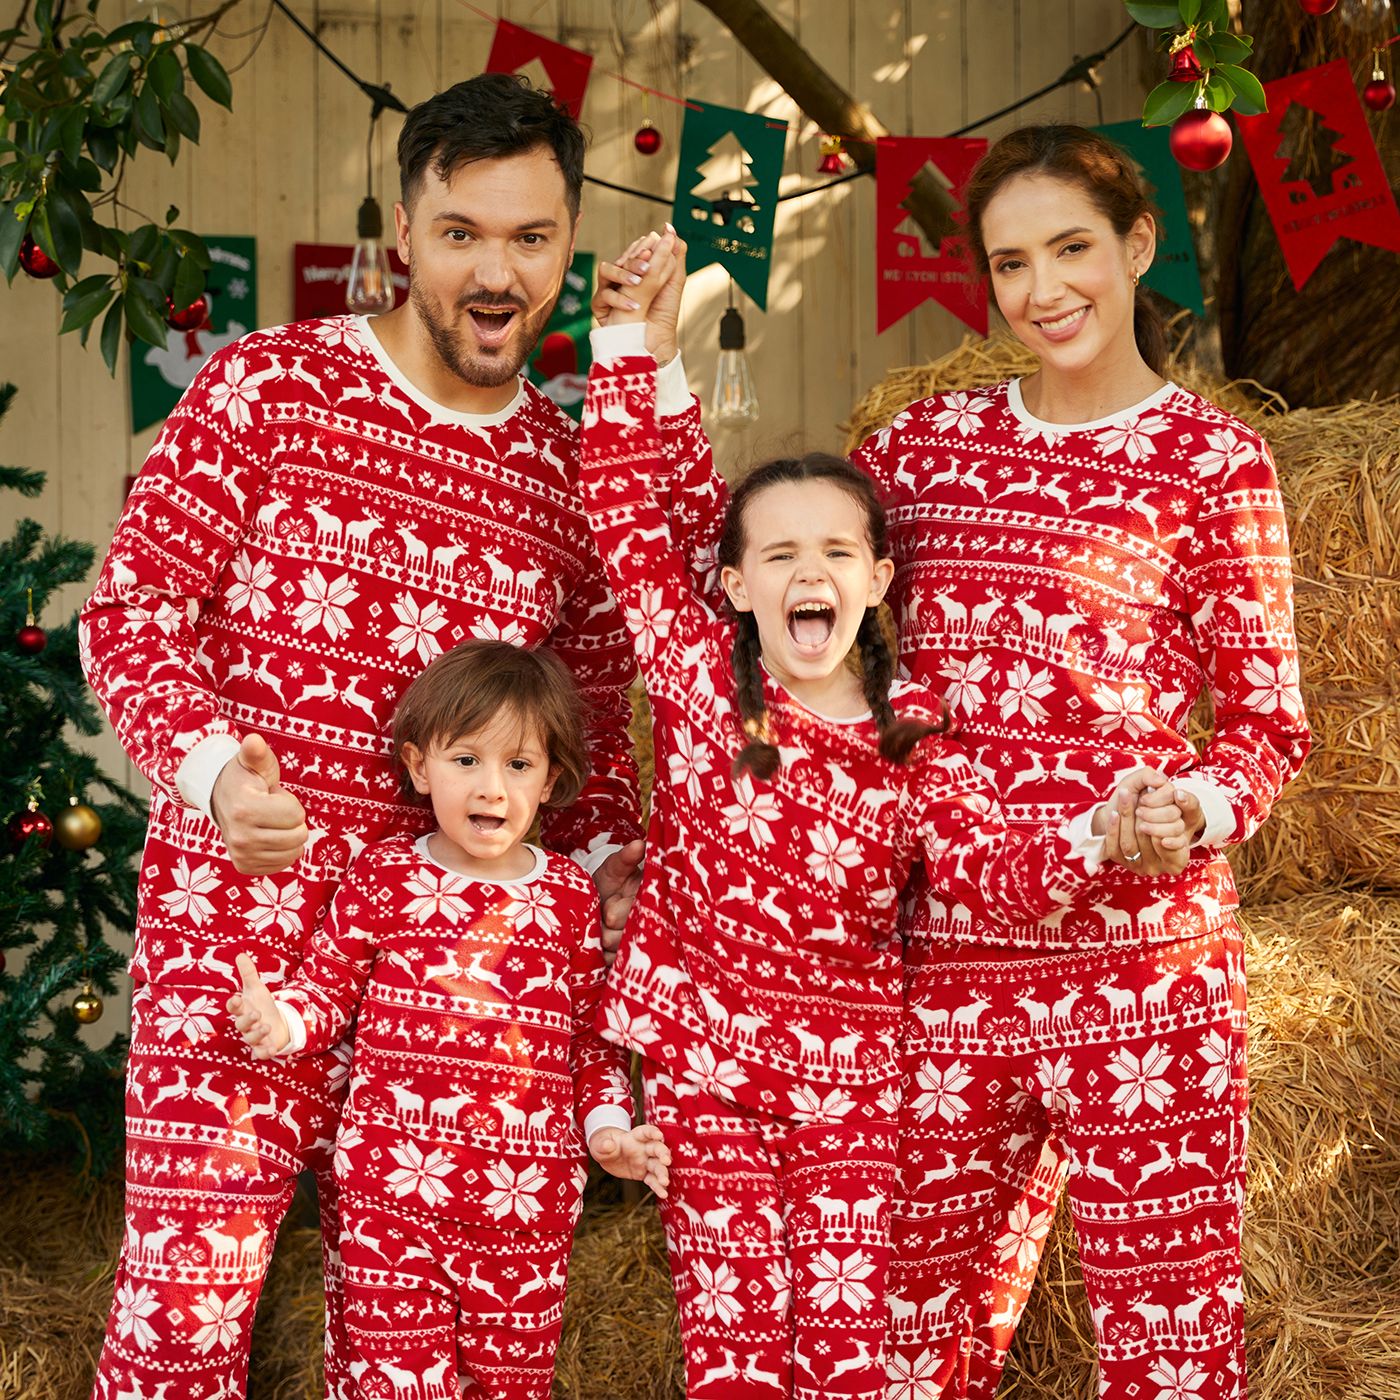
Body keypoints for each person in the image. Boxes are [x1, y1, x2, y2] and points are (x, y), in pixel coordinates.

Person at [79, 74, 705, 1400]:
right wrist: (205, 773)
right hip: (242, 947)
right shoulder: (268, 387)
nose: (498, 270)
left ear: (568, 245)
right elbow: (129, 614)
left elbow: (589, 769)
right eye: (464, 232)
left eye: (531, 238)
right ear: (404, 237)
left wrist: (628, 941)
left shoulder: (564, 473)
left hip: (461, 1002)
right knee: (181, 1329)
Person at [578, 230, 1187, 1400]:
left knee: (850, 1350)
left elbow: (989, 867)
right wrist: (629, 342)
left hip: (851, 1076)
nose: (808, 574)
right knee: (732, 1336)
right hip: (707, 1063)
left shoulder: (914, 736)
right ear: (732, 582)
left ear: (876, 581)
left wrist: (1102, 834)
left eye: (836, 552)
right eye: (778, 554)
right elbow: (624, 501)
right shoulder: (697, 669)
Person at [849, 126, 1310, 1400]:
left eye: (1070, 249)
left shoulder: (1213, 463)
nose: (1042, 289)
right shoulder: (917, 452)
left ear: (1137, 247)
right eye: (1010, 263)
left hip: (1143, 977)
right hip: (948, 964)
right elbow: (818, 629)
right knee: (898, 1344)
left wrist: (1194, 805)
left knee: (1167, 1359)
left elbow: (1269, 725)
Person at [227, 640, 669, 1400]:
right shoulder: (386, 875)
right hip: (390, 1198)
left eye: (518, 765)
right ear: (417, 765)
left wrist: (606, 1130)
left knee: (509, 1384)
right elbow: (327, 992)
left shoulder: (566, 898)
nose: (492, 787)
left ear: (552, 779)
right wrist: (281, 1023)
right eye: (466, 760)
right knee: (393, 1382)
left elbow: (590, 1043)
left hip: (524, 1205)